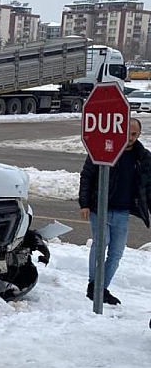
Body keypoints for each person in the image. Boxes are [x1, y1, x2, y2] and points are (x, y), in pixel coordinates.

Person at [79, 117, 151, 305]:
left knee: (116, 252)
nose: (130, 138)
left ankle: (100, 288)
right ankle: (93, 286)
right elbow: (87, 176)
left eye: (134, 134)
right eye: (127, 133)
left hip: (122, 212)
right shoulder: (104, 149)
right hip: (100, 208)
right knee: (100, 245)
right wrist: (84, 203)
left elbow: (147, 186)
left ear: (139, 135)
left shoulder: (142, 157)